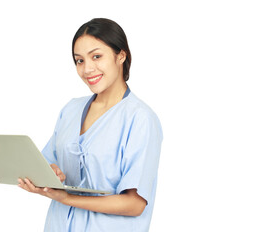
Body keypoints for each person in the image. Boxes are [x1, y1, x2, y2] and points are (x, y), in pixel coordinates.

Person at [18, 18, 163, 232]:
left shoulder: (140, 119)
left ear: (121, 55)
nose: (87, 69)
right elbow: (49, 162)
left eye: (97, 56)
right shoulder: (70, 110)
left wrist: (67, 198)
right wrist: (50, 174)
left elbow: (135, 204)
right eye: (79, 60)